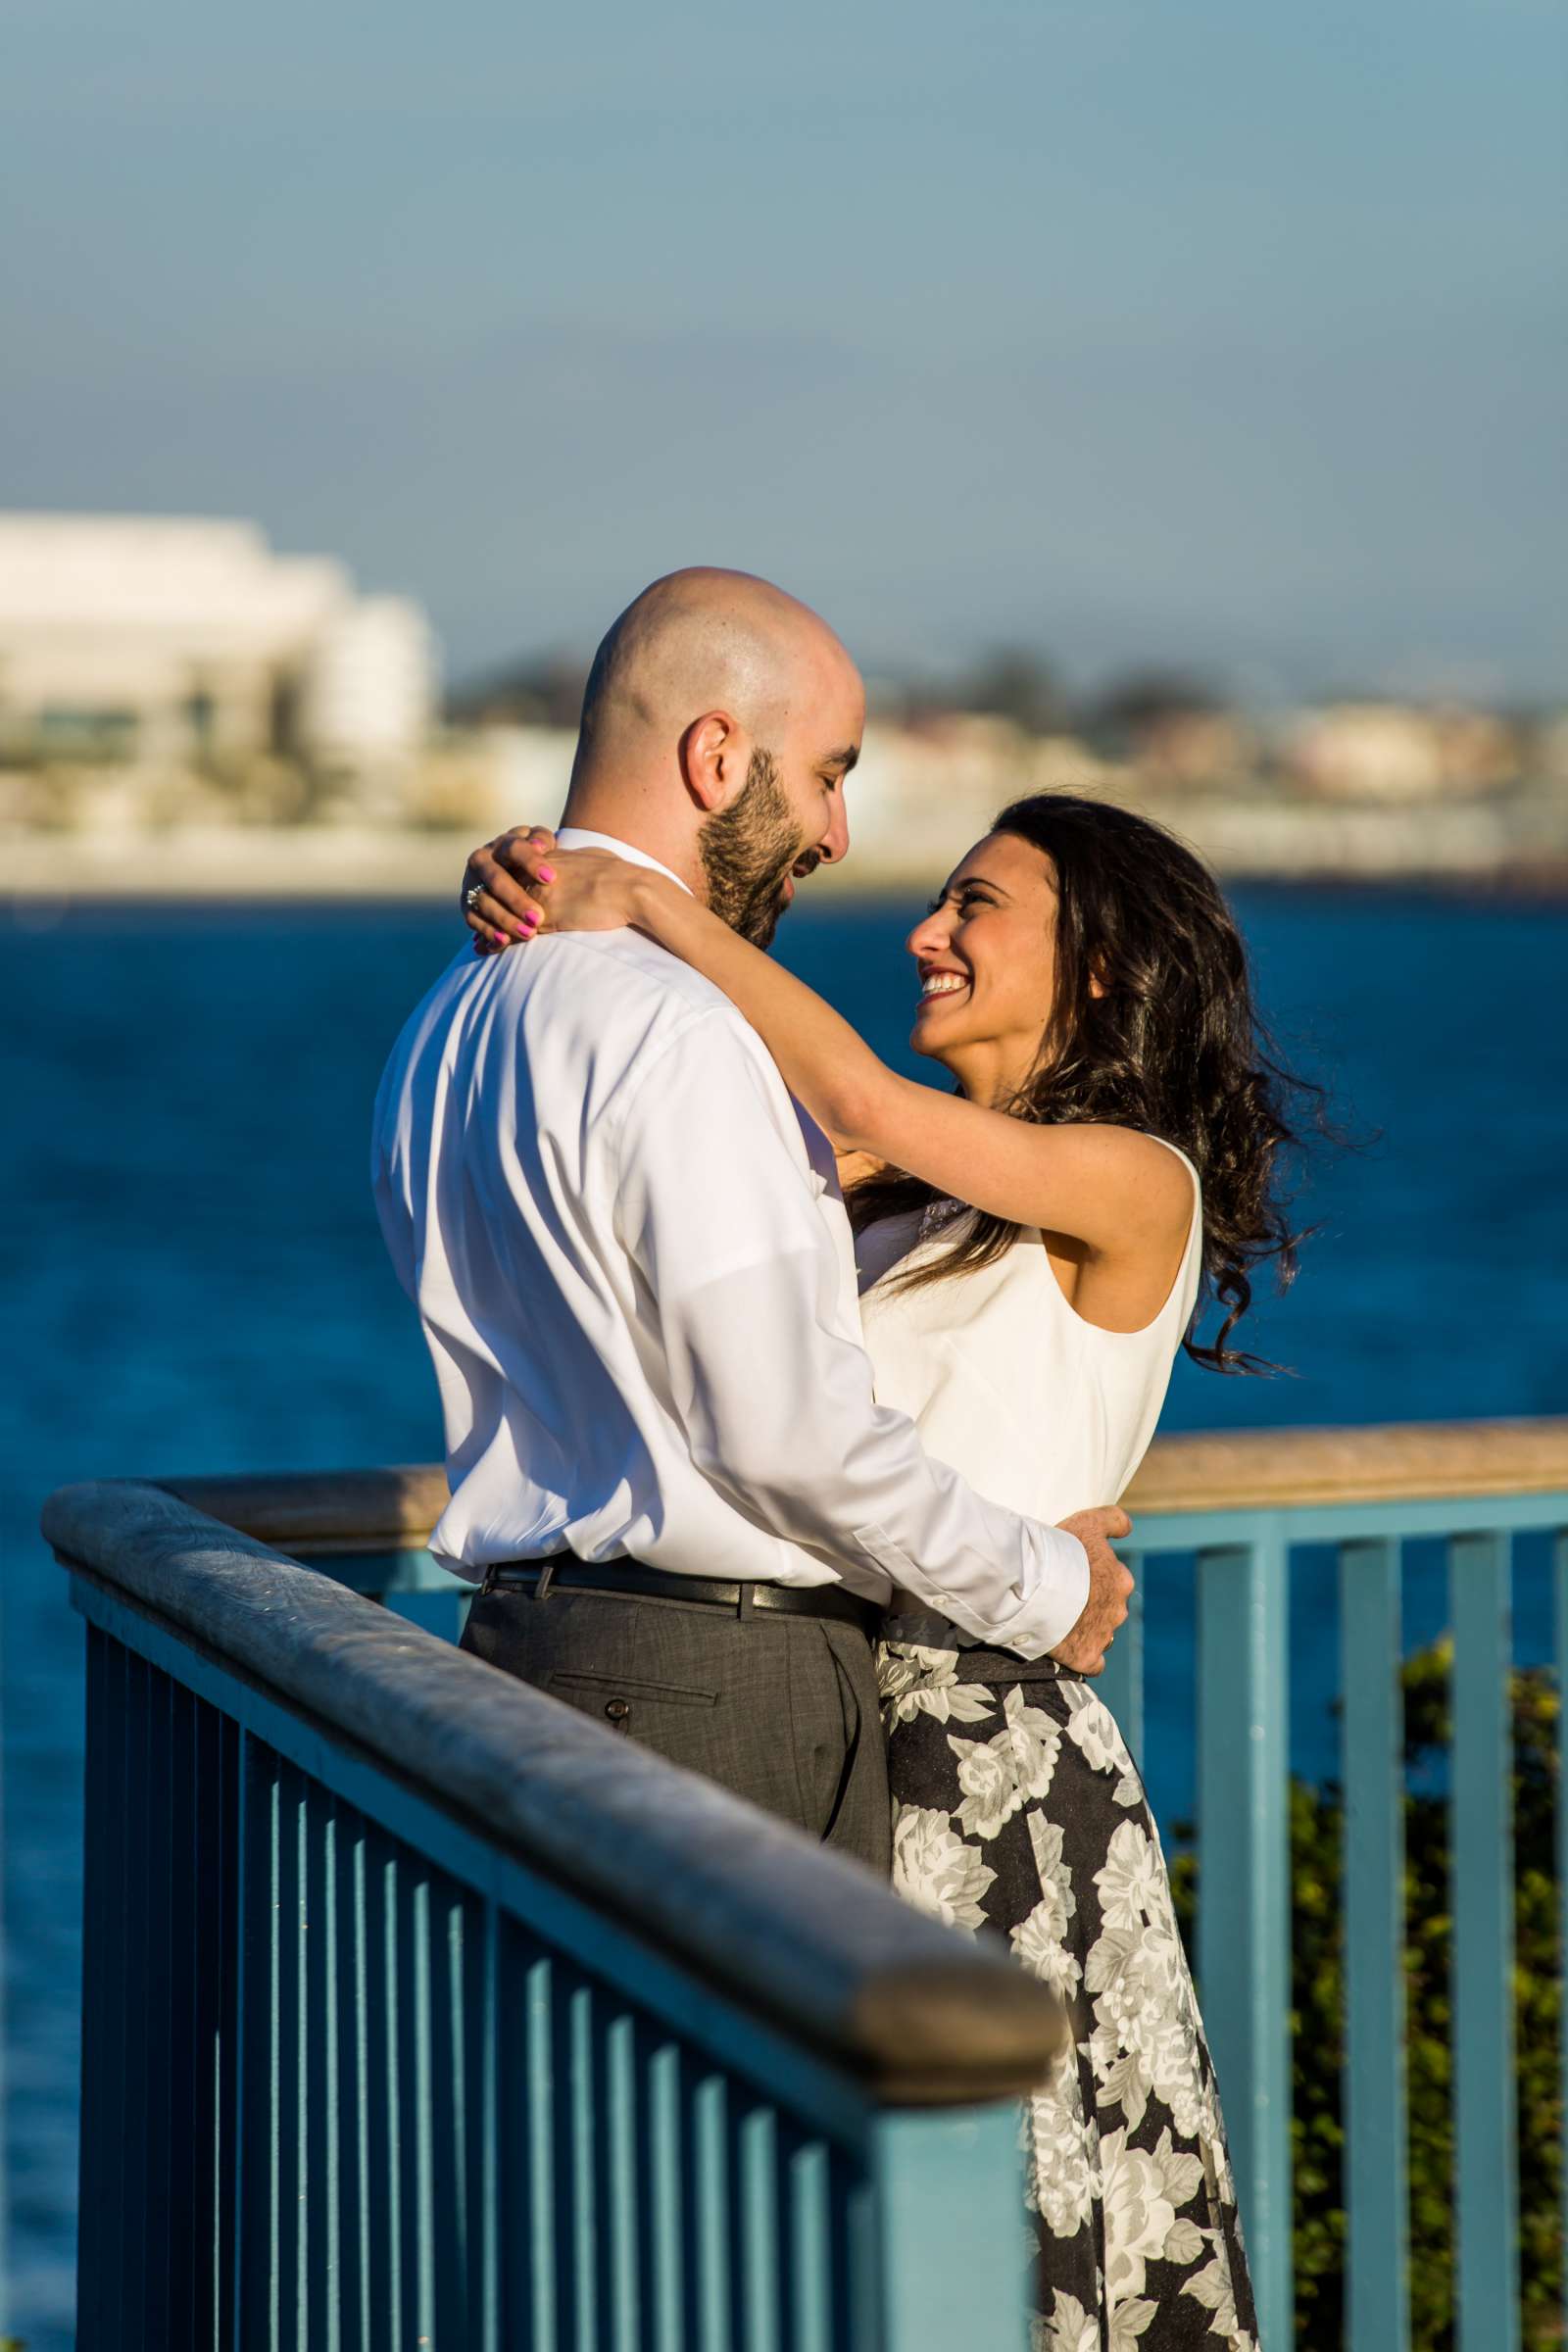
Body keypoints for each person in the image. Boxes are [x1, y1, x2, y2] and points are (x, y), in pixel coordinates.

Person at [462, 788, 1307, 2349]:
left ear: (1104, 964)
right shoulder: (894, 1203)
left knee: (1017, 2223)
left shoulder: (1139, 1180)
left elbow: (841, 1078)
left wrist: (646, 901)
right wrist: (536, 903)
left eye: (976, 904)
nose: (926, 932)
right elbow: (694, 1150)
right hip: (839, 1708)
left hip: (996, 1766)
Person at [372, 567, 1133, 1888]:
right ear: (718, 756)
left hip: (518, 1659)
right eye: (829, 774)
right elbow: (788, 1436)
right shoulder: (680, 1032)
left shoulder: (447, 1013)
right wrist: (1051, 1588)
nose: (837, 833)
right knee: (749, 2099)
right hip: (710, 1692)